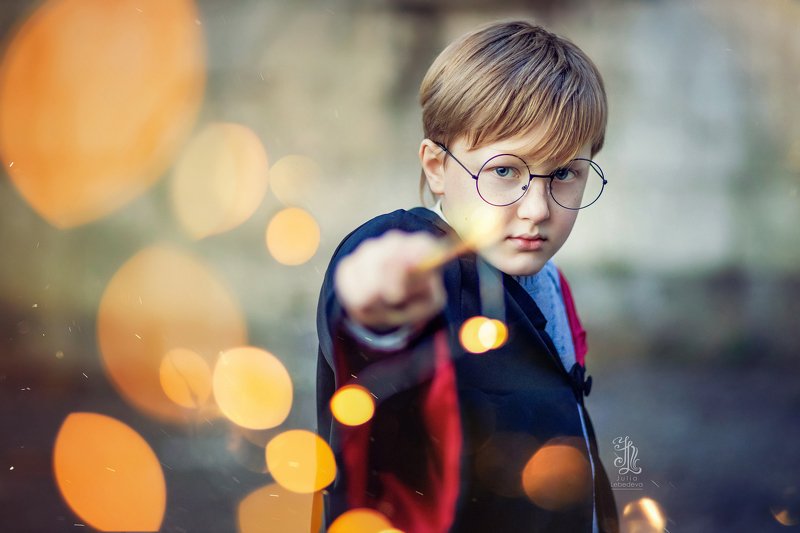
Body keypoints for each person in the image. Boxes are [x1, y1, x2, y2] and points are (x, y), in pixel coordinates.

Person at [316, 20, 618, 533]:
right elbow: (373, 329)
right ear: (436, 166)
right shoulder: (424, 264)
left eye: (565, 173)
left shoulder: (550, 282)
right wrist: (378, 310)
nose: (536, 209)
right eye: (505, 171)